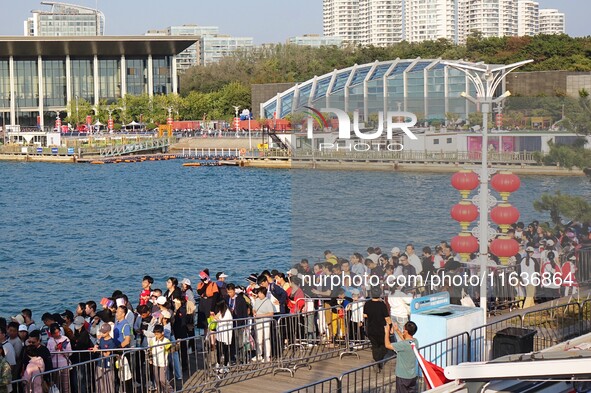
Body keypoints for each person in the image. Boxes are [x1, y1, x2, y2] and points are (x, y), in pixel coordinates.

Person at [384, 321, 419, 393]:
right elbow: (406, 341)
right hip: (412, 376)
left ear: (406, 331)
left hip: (403, 377)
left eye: (403, 330)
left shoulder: (403, 345)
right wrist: (397, 330)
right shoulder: (415, 341)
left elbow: (387, 345)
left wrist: (387, 332)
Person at [363, 286, 392, 370]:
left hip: (371, 328)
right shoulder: (382, 305)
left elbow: (365, 315)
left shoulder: (367, 304)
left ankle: (376, 361)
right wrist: (391, 326)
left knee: (375, 346)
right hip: (381, 329)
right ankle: (379, 361)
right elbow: (387, 318)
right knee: (383, 345)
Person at [147, 325, 173, 393]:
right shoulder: (152, 340)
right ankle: (159, 390)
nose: (156, 335)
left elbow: (171, 349)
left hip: (163, 363)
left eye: (158, 334)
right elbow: (150, 350)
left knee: (162, 379)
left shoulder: (166, 341)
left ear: (162, 333)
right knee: (157, 379)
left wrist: (177, 345)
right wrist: (150, 358)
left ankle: (170, 390)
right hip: (155, 362)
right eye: (155, 334)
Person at [46, 323, 71, 393]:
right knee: (57, 386)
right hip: (55, 366)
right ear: (52, 334)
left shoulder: (65, 339)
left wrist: (62, 350)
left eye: (58, 332)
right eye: (55, 333)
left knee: (66, 386)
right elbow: (48, 355)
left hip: (64, 365)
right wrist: (55, 349)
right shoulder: (50, 341)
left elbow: (70, 352)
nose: (57, 334)